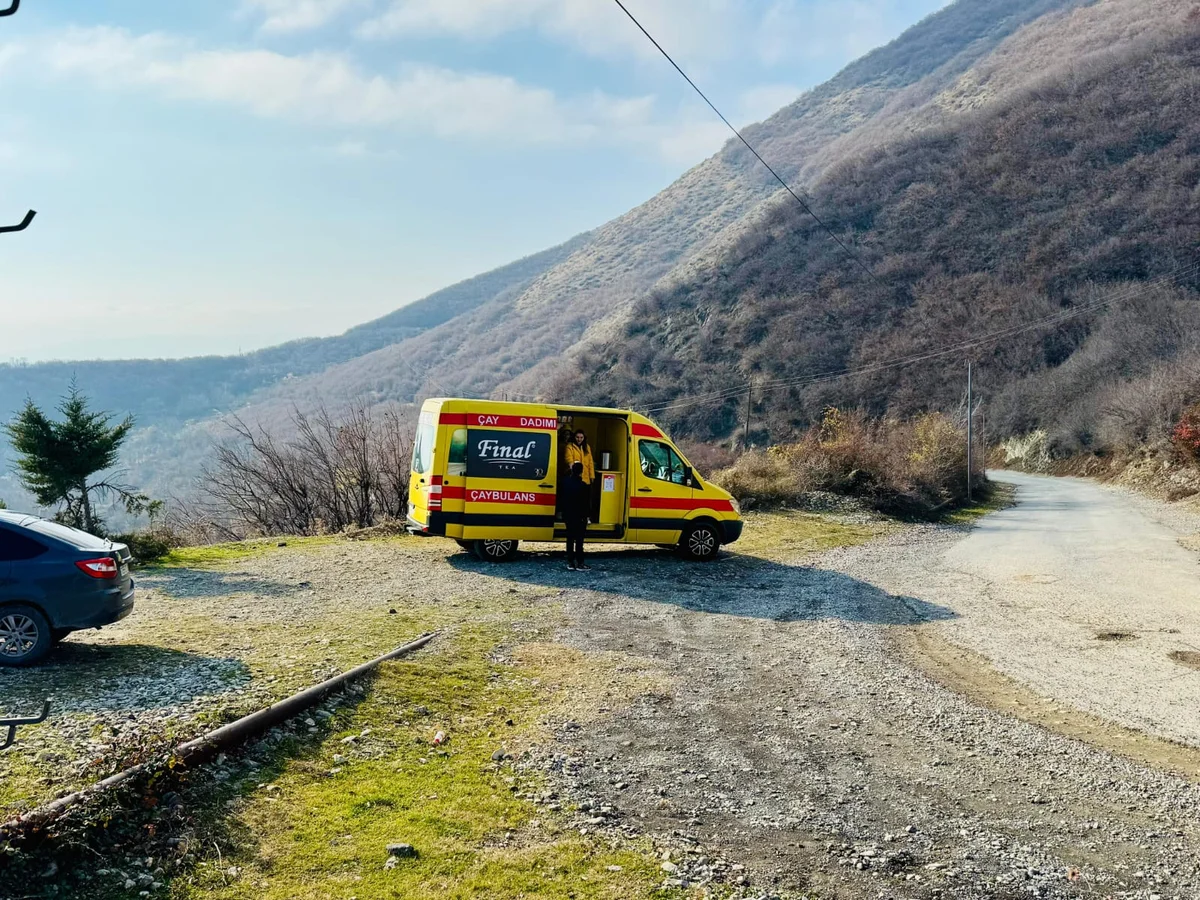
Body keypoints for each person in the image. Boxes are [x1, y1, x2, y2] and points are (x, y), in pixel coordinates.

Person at [561, 461, 590, 571]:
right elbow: (586, 504)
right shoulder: (583, 486)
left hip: (568, 515)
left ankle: (570, 562)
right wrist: (587, 516)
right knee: (579, 540)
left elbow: (562, 499)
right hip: (580, 517)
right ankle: (580, 563)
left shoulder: (565, 483)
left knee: (569, 538)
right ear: (581, 472)